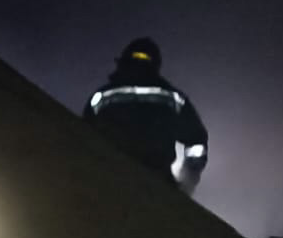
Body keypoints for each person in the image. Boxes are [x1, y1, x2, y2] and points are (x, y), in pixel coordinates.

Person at [83, 37, 208, 187]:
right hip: (154, 182)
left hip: (105, 177)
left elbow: (82, 134)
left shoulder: (102, 96)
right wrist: (188, 178)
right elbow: (197, 142)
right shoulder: (173, 99)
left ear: (123, 61)